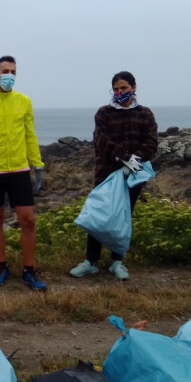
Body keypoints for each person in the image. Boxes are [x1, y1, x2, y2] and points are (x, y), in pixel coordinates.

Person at [70, 71, 158, 280]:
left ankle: (117, 262)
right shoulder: (104, 113)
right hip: (106, 175)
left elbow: (152, 141)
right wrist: (124, 157)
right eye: (116, 89)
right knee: (98, 217)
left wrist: (136, 159)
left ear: (133, 88)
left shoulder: (145, 114)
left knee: (123, 218)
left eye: (124, 88)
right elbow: (101, 141)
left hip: (133, 176)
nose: (120, 92)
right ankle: (90, 261)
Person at [0, 56, 47, 290]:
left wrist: (38, 165)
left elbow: (29, 135)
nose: (9, 75)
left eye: (13, 71)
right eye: (5, 71)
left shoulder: (24, 101)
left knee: (28, 219)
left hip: (20, 170)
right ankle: (1, 266)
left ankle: (29, 270)